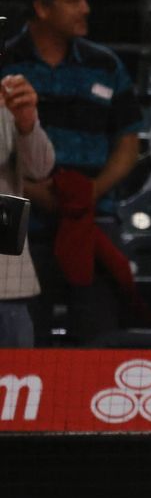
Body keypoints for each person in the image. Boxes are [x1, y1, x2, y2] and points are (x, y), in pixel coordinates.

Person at [2, 0, 141, 344]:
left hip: (93, 216)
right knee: (25, 337)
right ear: (42, 8)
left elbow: (129, 143)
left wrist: (90, 193)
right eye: (73, 1)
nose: (86, 9)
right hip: (23, 218)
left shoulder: (105, 63)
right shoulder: (6, 61)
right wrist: (38, 193)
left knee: (100, 338)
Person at [0, 74, 53, 347]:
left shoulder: (9, 96)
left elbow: (40, 168)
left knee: (13, 381)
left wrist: (27, 124)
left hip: (6, 284)